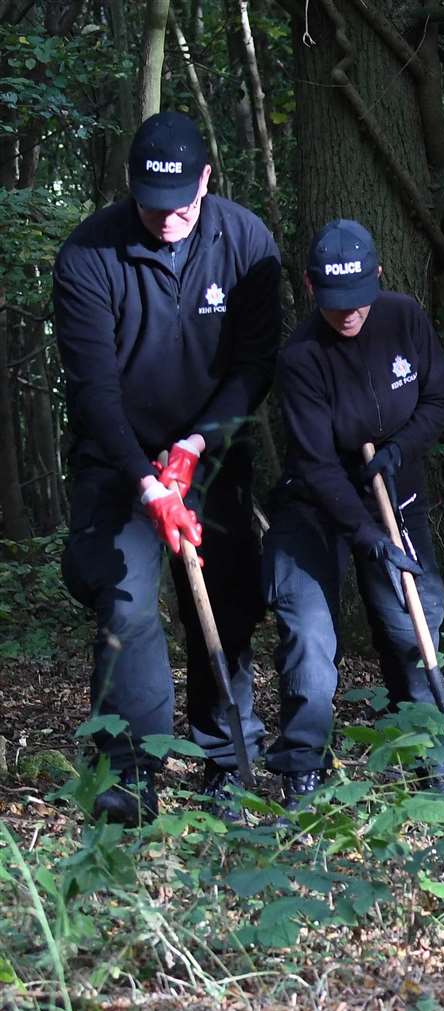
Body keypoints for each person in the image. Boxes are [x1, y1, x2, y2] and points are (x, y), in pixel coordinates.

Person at [53, 110, 281, 825]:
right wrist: (148, 480)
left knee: (227, 598)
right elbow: (93, 389)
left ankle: (227, 762)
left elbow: (254, 364)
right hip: (118, 462)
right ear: (132, 190)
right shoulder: (89, 254)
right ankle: (130, 770)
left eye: (183, 201)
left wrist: (194, 447)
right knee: (126, 605)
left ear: (206, 180)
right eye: (154, 205)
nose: (169, 217)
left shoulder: (245, 241)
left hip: (211, 456)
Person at [263, 220, 444, 808]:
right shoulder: (300, 356)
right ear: (309, 287)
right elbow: (319, 466)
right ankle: (302, 769)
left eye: (356, 302)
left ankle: (434, 759)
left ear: (377, 276)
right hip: (316, 505)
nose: (347, 316)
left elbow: (439, 395)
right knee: (309, 635)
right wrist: (370, 538)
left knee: (410, 625)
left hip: (395, 491)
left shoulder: (403, 318)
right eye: (332, 303)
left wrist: (400, 449)